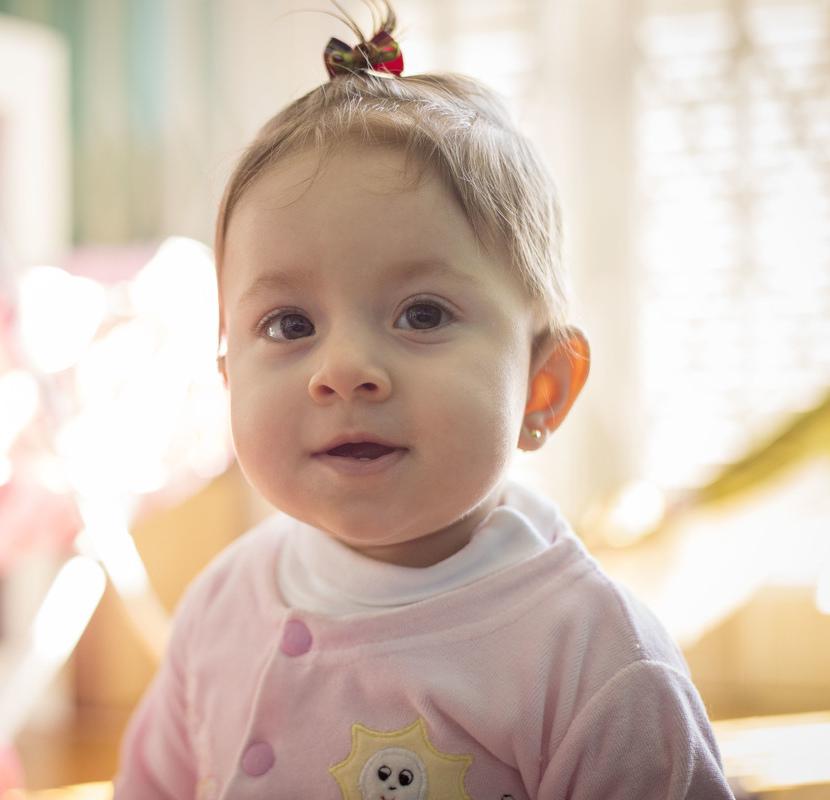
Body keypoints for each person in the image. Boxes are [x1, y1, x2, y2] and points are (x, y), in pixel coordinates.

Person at [114, 4, 735, 798]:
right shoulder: (221, 605)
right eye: (289, 323)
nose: (343, 372)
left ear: (543, 386)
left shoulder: (595, 660)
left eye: (423, 314)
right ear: (228, 374)